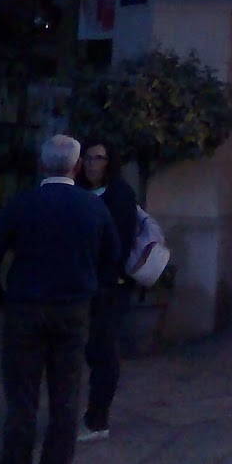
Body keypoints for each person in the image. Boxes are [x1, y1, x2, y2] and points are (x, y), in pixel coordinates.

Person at [0, 134, 119, 464]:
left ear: (42, 166)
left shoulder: (24, 204)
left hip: (25, 307)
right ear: (75, 167)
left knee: (21, 403)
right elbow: (112, 259)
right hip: (72, 310)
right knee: (65, 401)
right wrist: (92, 291)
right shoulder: (92, 208)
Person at [76, 138, 138, 442]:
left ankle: (97, 418)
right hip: (79, 282)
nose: (92, 164)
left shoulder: (120, 195)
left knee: (103, 350)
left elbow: (121, 242)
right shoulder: (77, 192)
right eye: (88, 158)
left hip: (108, 284)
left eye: (99, 158)